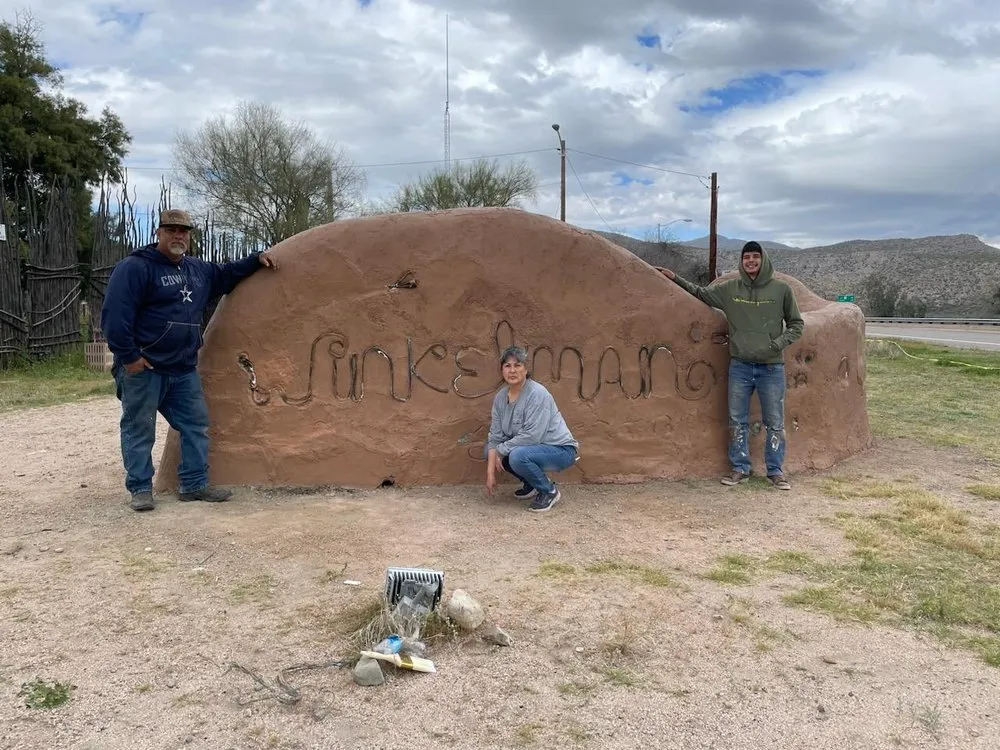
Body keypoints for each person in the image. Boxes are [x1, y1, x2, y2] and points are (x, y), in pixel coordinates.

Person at [100, 209, 279, 512]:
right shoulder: (136, 268)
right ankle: (141, 489)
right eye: (171, 230)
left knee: (196, 425)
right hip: (145, 367)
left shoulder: (197, 270)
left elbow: (226, 275)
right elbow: (115, 316)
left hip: (182, 368)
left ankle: (194, 484)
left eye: (184, 231)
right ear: (158, 232)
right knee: (139, 428)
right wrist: (129, 357)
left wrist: (254, 260)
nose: (178, 236)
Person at [656, 241, 804, 490]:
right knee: (737, 420)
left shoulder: (781, 290)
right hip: (740, 366)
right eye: (747, 257)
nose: (751, 261)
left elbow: (796, 324)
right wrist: (675, 278)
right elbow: (701, 293)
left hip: (771, 368)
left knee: (775, 421)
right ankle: (740, 468)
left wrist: (776, 344)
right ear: (742, 261)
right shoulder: (731, 290)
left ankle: (775, 471)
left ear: (763, 260)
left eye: (756, 257)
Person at [485, 346, 579, 513]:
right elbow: (495, 437)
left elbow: (532, 436)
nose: (512, 370)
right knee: (490, 451)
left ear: (526, 369)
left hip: (560, 450)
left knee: (515, 455)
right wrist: (490, 474)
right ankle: (532, 484)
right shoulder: (500, 397)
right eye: (507, 366)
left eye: (517, 365)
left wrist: (501, 450)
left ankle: (549, 491)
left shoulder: (537, 393)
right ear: (502, 370)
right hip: (530, 449)